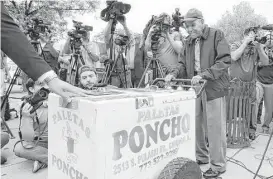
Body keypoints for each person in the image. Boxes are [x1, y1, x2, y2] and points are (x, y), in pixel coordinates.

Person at [165, 8, 231, 178]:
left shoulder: (217, 35)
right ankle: (201, 157)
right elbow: (182, 65)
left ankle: (218, 166)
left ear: (201, 21)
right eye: (187, 26)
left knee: (215, 129)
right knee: (197, 126)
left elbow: (224, 61)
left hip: (213, 89)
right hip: (195, 89)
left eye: (193, 25)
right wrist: (173, 73)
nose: (190, 29)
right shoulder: (187, 42)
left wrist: (204, 75)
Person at [1, 3, 91, 101]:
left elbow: (6, 30)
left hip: (45, 75)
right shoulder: (43, 46)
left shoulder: (48, 45)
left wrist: (50, 78)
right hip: (35, 77)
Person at [229, 28, 269, 139]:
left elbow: (266, 62)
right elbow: (233, 56)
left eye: (256, 35)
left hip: (250, 84)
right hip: (235, 84)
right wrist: (245, 43)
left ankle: (251, 131)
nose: (255, 37)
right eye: (253, 35)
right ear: (245, 35)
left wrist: (260, 49)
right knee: (234, 108)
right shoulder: (236, 44)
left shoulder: (256, 47)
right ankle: (231, 131)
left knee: (251, 108)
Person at [13, 78, 48, 173]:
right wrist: (26, 117)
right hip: (39, 142)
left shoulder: (57, 99)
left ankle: (42, 159)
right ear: (31, 89)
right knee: (19, 148)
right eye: (41, 84)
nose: (46, 87)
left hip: (58, 141)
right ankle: (52, 158)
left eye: (48, 83)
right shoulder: (26, 106)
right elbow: (27, 137)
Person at [144, 13, 183, 81]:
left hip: (173, 74)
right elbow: (146, 51)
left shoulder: (174, 34)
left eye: (166, 25)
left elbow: (179, 50)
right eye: (162, 24)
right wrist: (149, 34)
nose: (164, 27)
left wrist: (167, 34)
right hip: (159, 74)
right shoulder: (155, 37)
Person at [103, 14, 135, 88]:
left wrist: (124, 25)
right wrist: (111, 20)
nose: (121, 38)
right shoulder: (110, 43)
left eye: (123, 37)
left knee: (128, 93)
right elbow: (106, 35)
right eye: (119, 36)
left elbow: (130, 37)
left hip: (126, 72)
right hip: (114, 73)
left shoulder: (127, 44)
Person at [256, 34, 273, 133]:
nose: (270, 41)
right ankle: (252, 126)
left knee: (269, 107)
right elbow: (254, 63)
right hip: (259, 80)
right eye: (269, 40)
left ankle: (265, 126)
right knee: (255, 102)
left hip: (270, 83)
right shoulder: (260, 49)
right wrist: (260, 63)